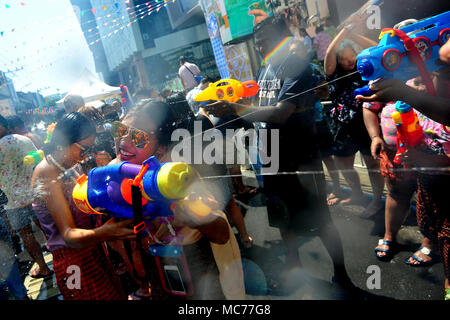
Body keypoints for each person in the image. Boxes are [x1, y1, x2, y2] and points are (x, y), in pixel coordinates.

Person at [205, 16, 356, 293]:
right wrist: (230, 112)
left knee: (321, 222)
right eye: (258, 44)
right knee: (282, 220)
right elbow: (260, 111)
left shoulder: (297, 68)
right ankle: (294, 270)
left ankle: (342, 275)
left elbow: (282, 112)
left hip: (301, 161)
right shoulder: (266, 70)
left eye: (264, 43)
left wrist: (235, 108)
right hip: (272, 160)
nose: (260, 48)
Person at [109, 100, 245, 300]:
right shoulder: (114, 172)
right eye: (120, 130)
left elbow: (221, 233)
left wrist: (194, 218)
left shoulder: (177, 177)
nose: (124, 141)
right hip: (155, 275)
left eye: (138, 137)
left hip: (196, 272)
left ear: (161, 148)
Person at [31, 112, 136, 300]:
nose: (85, 156)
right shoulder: (48, 173)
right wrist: (107, 232)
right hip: (73, 261)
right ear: (64, 142)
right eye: (83, 149)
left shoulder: (70, 165)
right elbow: (69, 235)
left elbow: (85, 202)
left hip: (92, 247)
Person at [323, 13, 385, 218]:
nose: (349, 61)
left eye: (352, 56)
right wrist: (343, 32)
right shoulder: (333, 72)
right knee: (343, 163)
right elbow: (330, 54)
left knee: (372, 164)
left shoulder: (365, 67)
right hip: (342, 125)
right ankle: (357, 194)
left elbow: (378, 49)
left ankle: (376, 201)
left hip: (367, 123)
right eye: (343, 58)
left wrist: (354, 34)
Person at [0, 114, 53, 280]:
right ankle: (61, 259)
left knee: (27, 235)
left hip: (13, 201)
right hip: (35, 193)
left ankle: (43, 267)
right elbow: (39, 160)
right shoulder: (23, 139)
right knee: (47, 227)